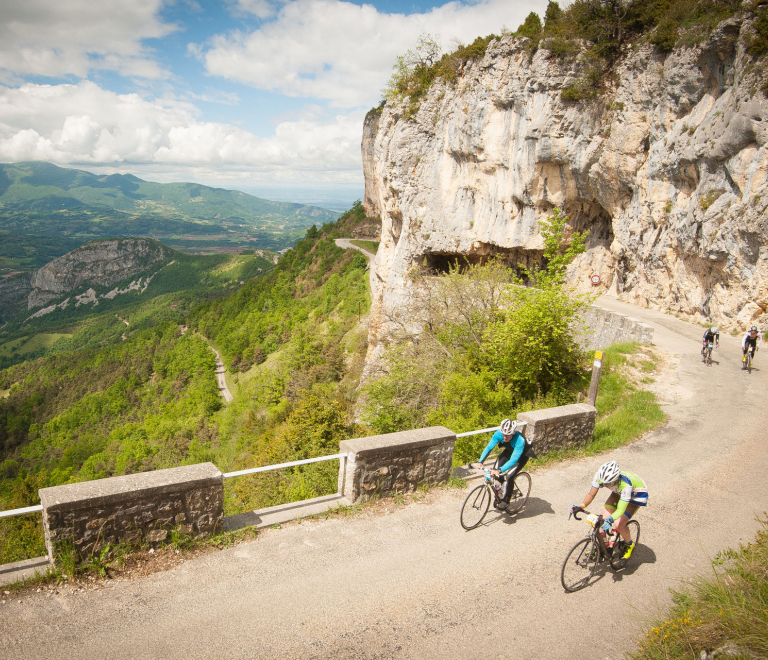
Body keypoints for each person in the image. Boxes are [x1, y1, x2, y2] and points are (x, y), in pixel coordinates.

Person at [569, 461, 648, 560]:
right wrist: (581, 506)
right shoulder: (600, 477)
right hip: (618, 490)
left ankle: (629, 544)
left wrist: (611, 519)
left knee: (619, 524)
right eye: (603, 483)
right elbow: (591, 495)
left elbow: (620, 510)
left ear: (616, 479)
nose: (604, 485)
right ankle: (602, 546)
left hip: (636, 496)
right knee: (602, 519)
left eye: (607, 483)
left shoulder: (625, 486)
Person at [475, 418, 534, 512]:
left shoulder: (520, 440)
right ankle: (501, 493)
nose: (505, 438)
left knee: (510, 476)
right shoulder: (498, 434)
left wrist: (500, 470)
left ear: (513, 433)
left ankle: (506, 500)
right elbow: (489, 447)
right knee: (496, 474)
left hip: (521, 456)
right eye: (503, 435)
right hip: (509, 452)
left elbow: (514, 459)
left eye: (508, 436)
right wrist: (480, 461)